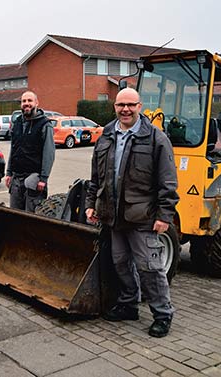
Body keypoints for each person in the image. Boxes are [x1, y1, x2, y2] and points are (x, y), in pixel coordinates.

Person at [85, 88, 179, 338]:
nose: (125, 109)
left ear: (140, 106)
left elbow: (168, 181)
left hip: (143, 217)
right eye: (120, 105)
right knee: (120, 263)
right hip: (114, 216)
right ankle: (128, 304)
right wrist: (91, 202)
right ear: (114, 107)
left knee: (149, 267)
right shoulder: (106, 135)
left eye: (130, 104)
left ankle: (163, 314)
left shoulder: (156, 138)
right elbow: (96, 175)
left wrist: (164, 216)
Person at [5, 91, 55, 212]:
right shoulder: (16, 123)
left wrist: (43, 178)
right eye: (24, 101)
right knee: (15, 217)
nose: (26, 104)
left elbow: (49, 153)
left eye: (29, 101)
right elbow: (13, 149)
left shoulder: (44, 124)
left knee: (31, 218)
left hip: (34, 180)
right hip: (16, 179)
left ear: (36, 103)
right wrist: (9, 172)